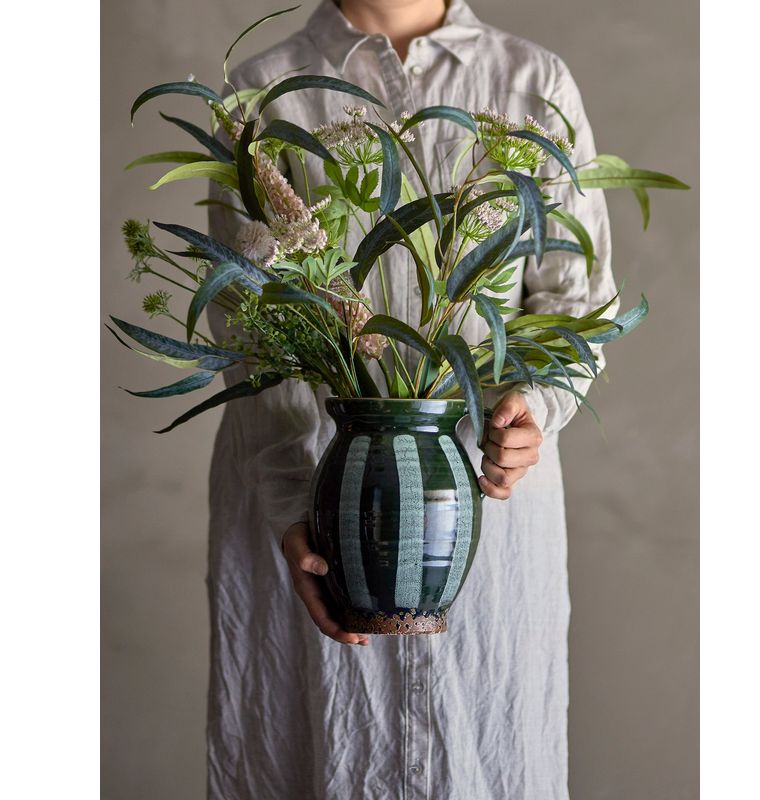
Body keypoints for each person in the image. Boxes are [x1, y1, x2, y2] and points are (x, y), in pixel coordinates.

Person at [205, 1, 617, 798]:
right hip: (311, 492)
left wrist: (534, 405)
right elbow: (249, 326)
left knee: (490, 750)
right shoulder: (263, 93)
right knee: (311, 750)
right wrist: (296, 506)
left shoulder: (532, 83)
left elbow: (576, 302)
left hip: (481, 499)